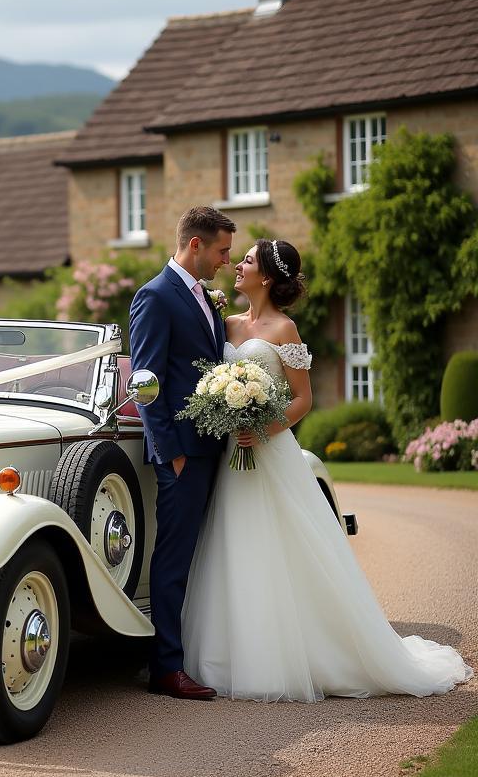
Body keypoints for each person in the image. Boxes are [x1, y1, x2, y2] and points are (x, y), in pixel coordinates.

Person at [182, 239, 473, 701]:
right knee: (235, 544)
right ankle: (232, 654)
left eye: (249, 261)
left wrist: (262, 430)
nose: (238, 265)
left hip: (268, 451)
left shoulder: (285, 330)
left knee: (285, 547)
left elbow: (302, 399)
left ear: (269, 278)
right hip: (230, 459)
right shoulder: (225, 323)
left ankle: (310, 655)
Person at [129, 205, 236, 699]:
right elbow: (146, 381)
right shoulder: (155, 296)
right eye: (220, 251)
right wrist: (170, 453)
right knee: (172, 559)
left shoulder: (203, 298)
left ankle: (191, 651)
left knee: (201, 554)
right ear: (195, 245)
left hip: (213, 449)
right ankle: (166, 668)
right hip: (182, 456)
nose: (224, 261)